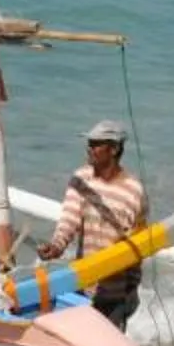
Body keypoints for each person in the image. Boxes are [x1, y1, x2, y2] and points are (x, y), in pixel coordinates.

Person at [36, 120, 149, 332]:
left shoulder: (134, 191)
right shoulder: (81, 180)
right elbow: (68, 220)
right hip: (81, 285)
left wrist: (131, 289)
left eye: (96, 144)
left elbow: (137, 244)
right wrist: (56, 246)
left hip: (114, 295)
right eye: (89, 144)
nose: (89, 149)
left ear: (113, 149)